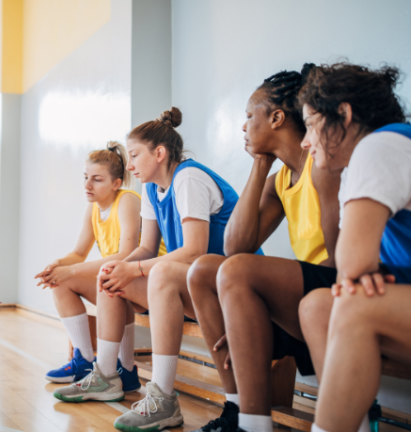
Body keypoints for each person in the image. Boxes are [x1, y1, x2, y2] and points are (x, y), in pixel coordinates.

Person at [296, 63, 411, 432]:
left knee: (356, 307)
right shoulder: (358, 170)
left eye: (311, 124)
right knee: (317, 306)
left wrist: (359, 274)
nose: (305, 141)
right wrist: (360, 274)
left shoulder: (380, 146)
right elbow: (354, 268)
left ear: (343, 115)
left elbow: (353, 262)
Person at [54, 107, 246, 432]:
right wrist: (121, 269)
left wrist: (137, 269)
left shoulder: (188, 178)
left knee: (155, 272)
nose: (129, 165)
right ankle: (107, 375)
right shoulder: (151, 189)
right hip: (191, 283)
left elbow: (194, 250)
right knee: (112, 273)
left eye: (134, 156)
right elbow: (145, 247)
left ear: (159, 153)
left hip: (229, 284)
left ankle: (163, 397)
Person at [186, 65, 343, 432]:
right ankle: (237, 408)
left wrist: (259, 313)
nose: (243, 126)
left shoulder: (322, 163)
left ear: (276, 117)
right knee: (205, 270)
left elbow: (343, 257)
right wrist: (259, 166)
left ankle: (253, 427)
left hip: (332, 292)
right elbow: (235, 246)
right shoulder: (279, 180)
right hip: (302, 298)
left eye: (248, 116)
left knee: (238, 272)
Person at [35, 141, 165, 391]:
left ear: (116, 183)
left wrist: (71, 269)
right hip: (121, 277)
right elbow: (78, 253)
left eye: (96, 179)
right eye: (86, 177)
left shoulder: (127, 200)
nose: (87, 185)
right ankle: (84, 360)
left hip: (148, 281)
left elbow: (126, 254)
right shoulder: (93, 209)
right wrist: (58, 265)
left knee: (108, 278)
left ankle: (126, 369)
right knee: (60, 281)